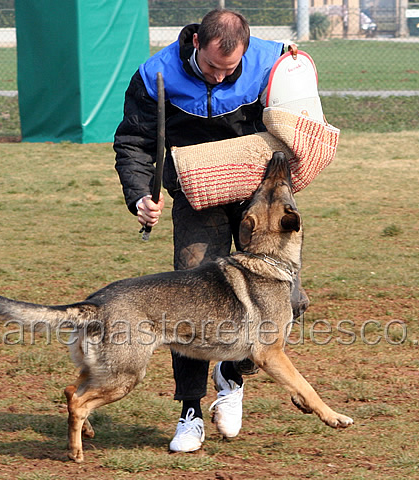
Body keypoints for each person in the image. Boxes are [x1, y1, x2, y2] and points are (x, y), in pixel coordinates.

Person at [113, 8, 308, 453]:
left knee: (290, 299)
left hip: (260, 193)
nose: (220, 79)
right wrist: (140, 195)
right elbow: (135, 142)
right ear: (196, 42)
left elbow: (301, 118)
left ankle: (233, 374)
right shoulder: (154, 75)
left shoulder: (274, 63)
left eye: (230, 70)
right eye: (212, 68)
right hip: (194, 193)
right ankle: (190, 414)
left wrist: (299, 74)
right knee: (189, 300)